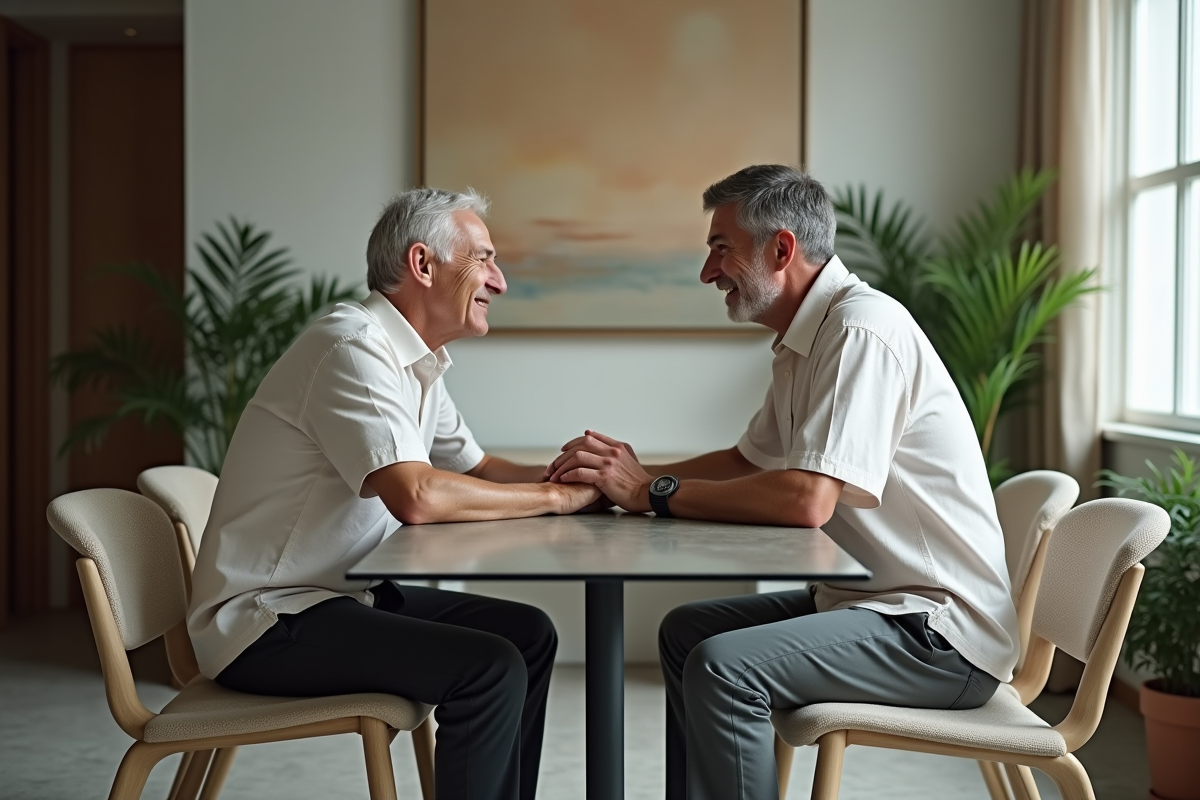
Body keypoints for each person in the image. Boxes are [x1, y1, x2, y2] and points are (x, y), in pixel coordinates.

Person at [546, 165, 1018, 800]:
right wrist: (635, 475)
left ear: (782, 249)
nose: (707, 272)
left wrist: (649, 493)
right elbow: (749, 461)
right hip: (869, 606)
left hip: (935, 633)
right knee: (690, 634)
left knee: (724, 668)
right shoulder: (807, 341)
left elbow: (805, 501)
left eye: (720, 248)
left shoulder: (860, 331)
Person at [188, 188, 600, 800]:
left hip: (344, 596)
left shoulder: (417, 359)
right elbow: (418, 496)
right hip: (268, 622)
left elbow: (481, 469)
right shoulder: (352, 347)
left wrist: (585, 473)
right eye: (484, 258)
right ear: (423, 264)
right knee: (489, 667)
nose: (500, 281)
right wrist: (558, 500)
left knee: (529, 635)